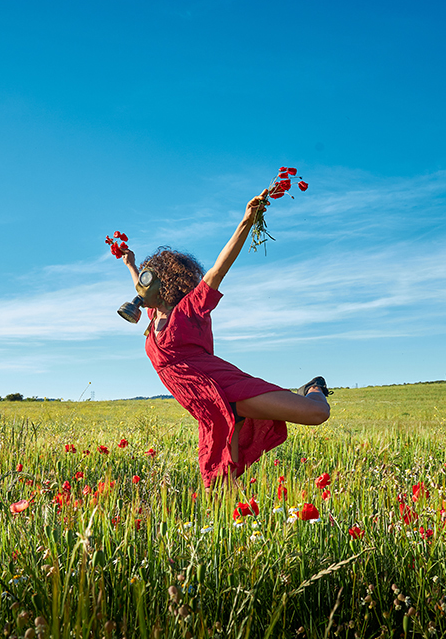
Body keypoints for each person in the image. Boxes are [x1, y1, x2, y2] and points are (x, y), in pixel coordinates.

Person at [120, 189, 331, 487]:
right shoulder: (154, 317)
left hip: (228, 388)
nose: (142, 285)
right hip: (210, 408)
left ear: (163, 285)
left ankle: (313, 386)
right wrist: (130, 264)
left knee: (316, 413)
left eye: (147, 278)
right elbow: (140, 290)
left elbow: (219, 269)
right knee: (222, 486)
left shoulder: (190, 310)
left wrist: (246, 221)